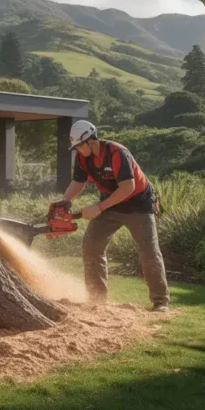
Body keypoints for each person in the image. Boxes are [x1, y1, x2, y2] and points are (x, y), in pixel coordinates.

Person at [60, 120, 170, 312]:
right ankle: (97, 300)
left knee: (148, 250)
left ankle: (161, 301)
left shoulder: (118, 153)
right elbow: (78, 182)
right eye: (75, 147)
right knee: (91, 246)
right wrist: (65, 202)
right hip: (110, 204)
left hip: (138, 205)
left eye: (79, 146)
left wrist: (99, 207)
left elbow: (128, 187)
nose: (77, 150)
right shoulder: (83, 158)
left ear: (90, 140)